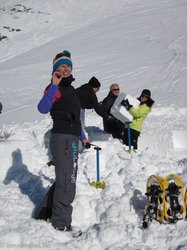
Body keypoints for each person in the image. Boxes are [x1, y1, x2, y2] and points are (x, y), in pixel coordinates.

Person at [37, 50, 88, 232]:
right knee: (68, 180)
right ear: (55, 70)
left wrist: (83, 137)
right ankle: (61, 224)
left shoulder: (72, 90)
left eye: (68, 66)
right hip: (62, 138)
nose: (65, 69)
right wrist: (53, 85)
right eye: (61, 66)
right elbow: (43, 108)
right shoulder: (54, 88)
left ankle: (45, 212)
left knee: (67, 178)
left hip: (72, 138)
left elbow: (75, 117)